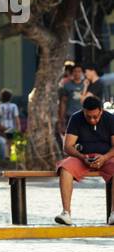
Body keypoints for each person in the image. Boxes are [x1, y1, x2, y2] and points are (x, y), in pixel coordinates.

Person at [54, 94, 114, 226]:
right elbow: (67, 146)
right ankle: (66, 213)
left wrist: (104, 158)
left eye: (95, 117)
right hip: (82, 157)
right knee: (65, 168)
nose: (92, 120)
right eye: (89, 117)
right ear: (83, 111)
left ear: (101, 111)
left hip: (106, 157)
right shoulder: (76, 118)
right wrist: (82, 157)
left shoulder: (110, 119)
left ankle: (113, 214)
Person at [58, 64, 85, 137]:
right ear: (72, 73)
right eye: (75, 71)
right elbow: (63, 102)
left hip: (84, 115)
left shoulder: (86, 85)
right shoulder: (67, 85)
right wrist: (61, 118)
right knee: (71, 136)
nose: (77, 73)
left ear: (82, 73)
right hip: (70, 115)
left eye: (79, 71)